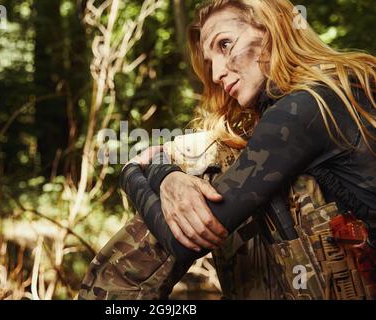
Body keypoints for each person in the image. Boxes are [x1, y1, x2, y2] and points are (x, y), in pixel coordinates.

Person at [78, 0, 376, 300]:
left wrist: (145, 172)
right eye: (210, 62)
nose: (218, 73)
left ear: (271, 29)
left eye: (225, 44)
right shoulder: (339, 87)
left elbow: (188, 238)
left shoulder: (304, 108)